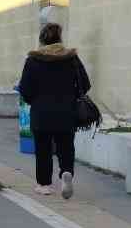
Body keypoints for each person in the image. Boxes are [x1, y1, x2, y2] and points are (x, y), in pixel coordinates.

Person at [16, 21, 91, 199]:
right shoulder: (71, 58)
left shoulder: (33, 60)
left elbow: (25, 90)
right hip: (67, 112)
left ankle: (44, 185)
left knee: (43, 149)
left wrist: (34, 99)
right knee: (66, 146)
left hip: (41, 113)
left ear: (42, 40)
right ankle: (66, 172)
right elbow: (85, 84)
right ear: (60, 39)